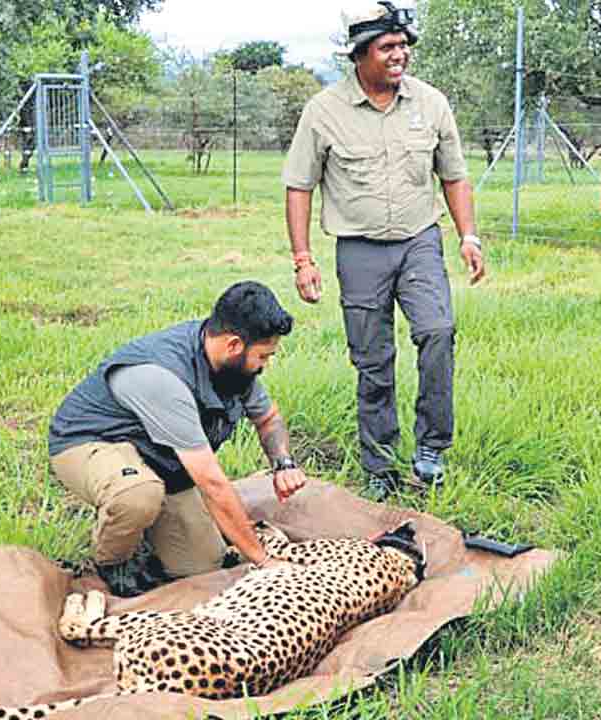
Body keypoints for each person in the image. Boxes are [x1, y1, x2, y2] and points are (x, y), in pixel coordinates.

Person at [282, 1, 486, 501]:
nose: (400, 56)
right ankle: (380, 463)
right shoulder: (324, 111)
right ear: (360, 54)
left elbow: (454, 175)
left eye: (403, 46)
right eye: (387, 47)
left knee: (437, 332)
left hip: (420, 241)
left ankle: (432, 449)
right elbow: (298, 186)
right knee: (373, 360)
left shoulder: (431, 103)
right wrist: (303, 259)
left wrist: (468, 235)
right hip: (359, 252)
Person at [47, 281, 309, 597]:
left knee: (203, 564)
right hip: (90, 442)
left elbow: (268, 419)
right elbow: (211, 483)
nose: (265, 365)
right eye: (264, 356)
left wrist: (283, 463)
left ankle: (143, 530)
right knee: (137, 495)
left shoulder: (235, 367)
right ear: (234, 345)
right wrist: (263, 560)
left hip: (163, 461)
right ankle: (111, 562)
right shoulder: (163, 376)